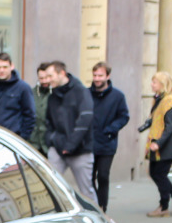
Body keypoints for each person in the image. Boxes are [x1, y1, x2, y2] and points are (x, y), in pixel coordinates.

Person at [44, 60, 96, 202]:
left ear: (62, 73)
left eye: (50, 76)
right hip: (57, 148)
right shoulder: (52, 96)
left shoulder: (81, 92)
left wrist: (70, 145)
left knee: (86, 191)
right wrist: (51, 140)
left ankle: (96, 220)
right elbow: (48, 122)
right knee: (49, 187)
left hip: (80, 150)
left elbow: (85, 119)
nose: (48, 80)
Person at [141, 71, 172, 217]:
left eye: (154, 82)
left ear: (162, 85)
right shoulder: (158, 99)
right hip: (159, 143)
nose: (151, 84)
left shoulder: (169, 101)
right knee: (155, 173)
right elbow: (156, 119)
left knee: (159, 174)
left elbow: (170, 126)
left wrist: (158, 143)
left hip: (167, 145)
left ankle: (164, 207)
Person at [88, 61, 130, 212]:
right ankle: (93, 205)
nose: (97, 78)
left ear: (108, 76)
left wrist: (110, 129)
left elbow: (124, 116)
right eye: (95, 75)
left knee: (103, 176)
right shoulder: (86, 94)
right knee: (88, 178)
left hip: (107, 142)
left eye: (100, 75)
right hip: (89, 143)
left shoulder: (117, 96)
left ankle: (102, 207)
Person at [0, 53, 36, 140]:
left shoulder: (23, 87)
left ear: (12, 66)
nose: (1, 70)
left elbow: (30, 116)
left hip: (13, 140)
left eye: (5, 67)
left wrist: (22, 138)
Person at [30, 63, 53, 155]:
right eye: (41, 78)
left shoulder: (56, 94)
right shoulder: (31, 93)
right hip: (33, 143)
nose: (44, 81)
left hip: (50, 144)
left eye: (47, 78)